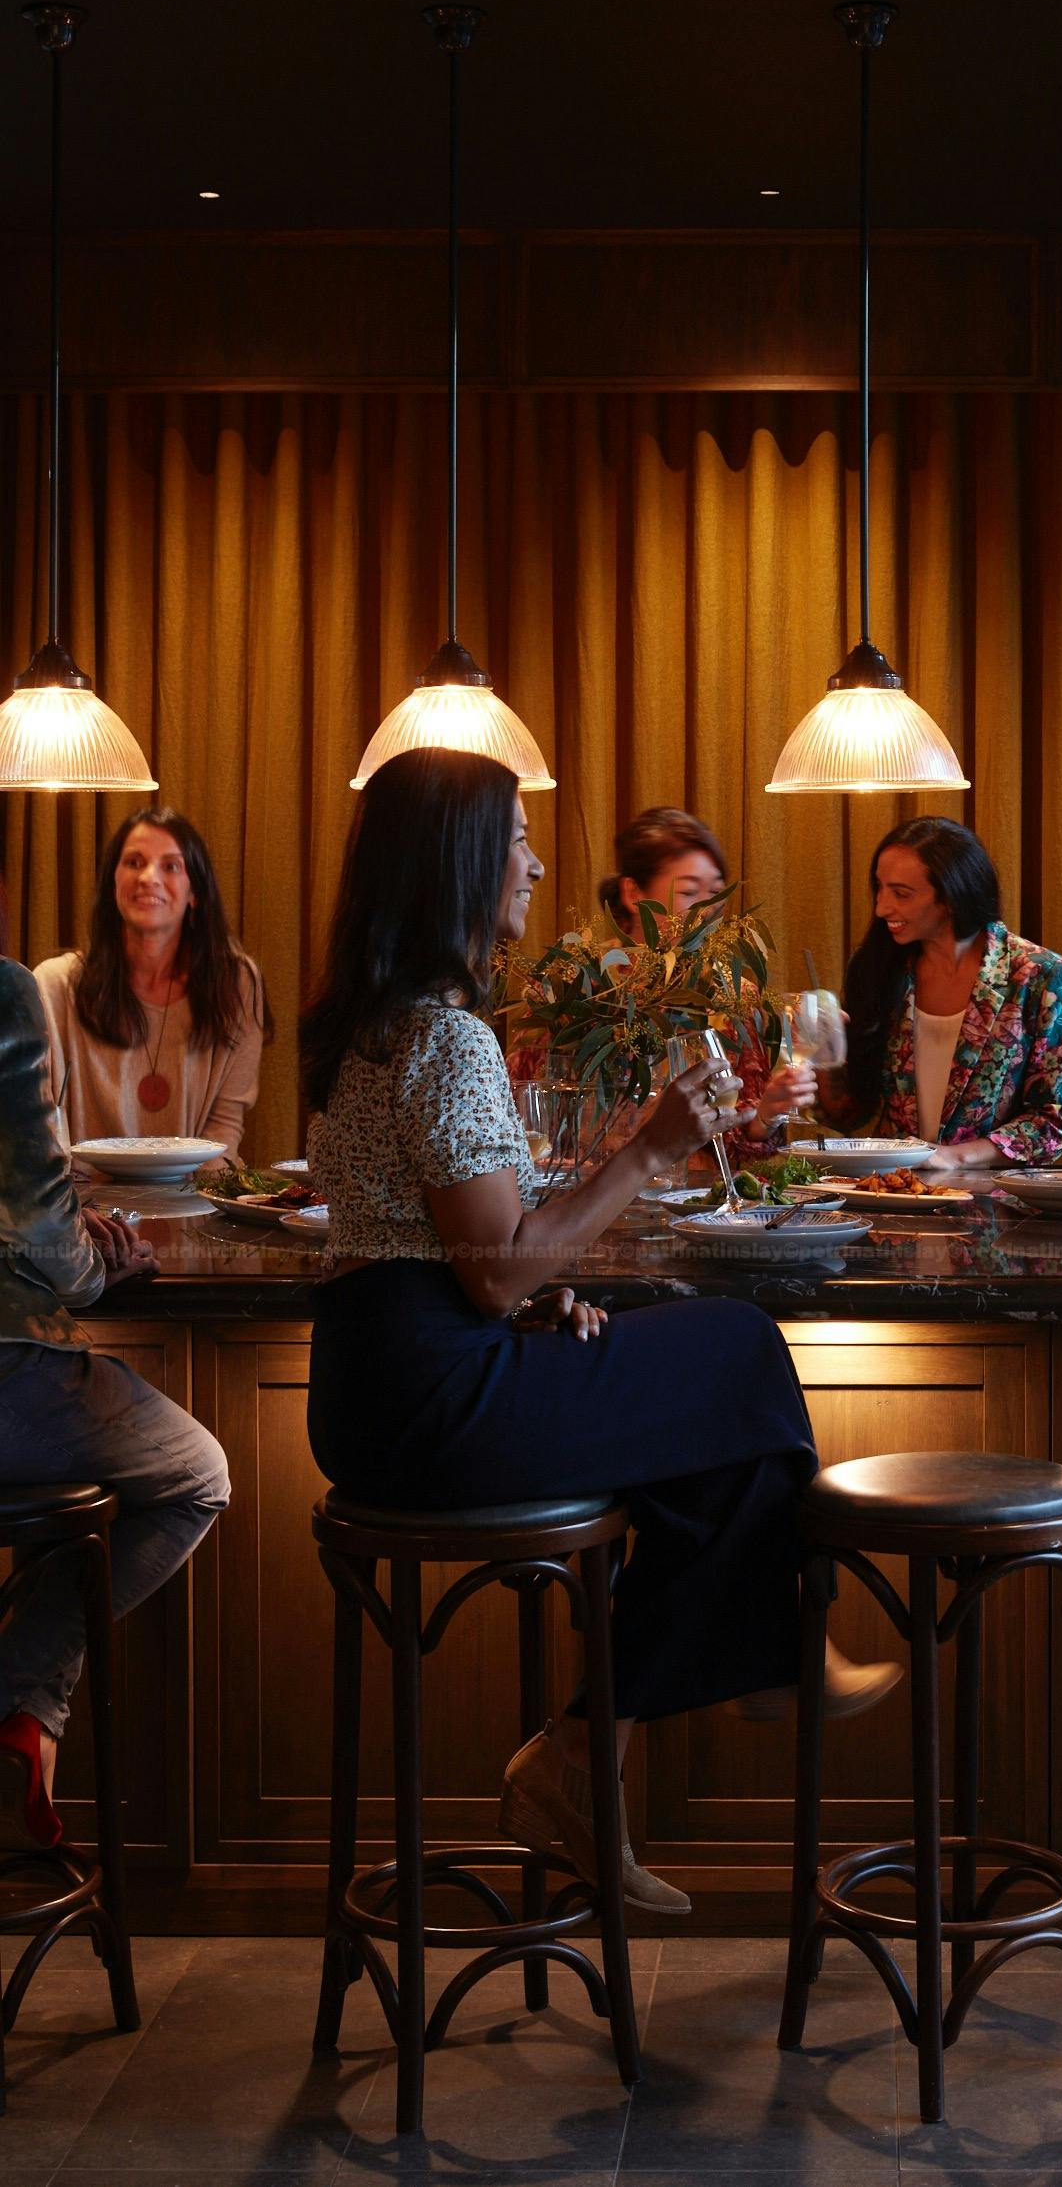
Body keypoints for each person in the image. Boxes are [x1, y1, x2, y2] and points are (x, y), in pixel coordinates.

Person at [299, 750, 898, 1919]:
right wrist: (650, 1149)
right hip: (435, 1400)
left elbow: (463, 1250)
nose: (530, 862)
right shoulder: (443, 1036)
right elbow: (492, 1265)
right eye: (515, 838)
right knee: (739, 1349)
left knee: (698, 1412)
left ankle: (593, 1755)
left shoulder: (371, 1028)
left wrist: (535, 1294)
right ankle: (681, 1697)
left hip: (377, 1381)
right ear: (461, 862)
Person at [0, 900, 231, 1852]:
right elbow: (50, 1237)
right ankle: (21, 1698)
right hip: (9, 1373)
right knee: (194, 1476)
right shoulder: (8, 992)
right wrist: (100, 1267)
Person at [513, 805, 813, 1154]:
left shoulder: (733, 998)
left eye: (716, 892)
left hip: (699, 1202)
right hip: (582, 1197)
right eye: (689, 893)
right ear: (633, 893)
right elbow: (524, 1109)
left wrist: (767, 1114)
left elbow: (740, 1147)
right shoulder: (569, 988)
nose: (709, 908)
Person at [824, 816, 1062, 1169]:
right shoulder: (879, 969)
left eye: (901, 893)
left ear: (951, 896)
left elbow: (1058, 1120)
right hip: (893, 1197)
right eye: (880, 888)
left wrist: (956, 1157)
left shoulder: (1041, 975)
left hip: (997, 1206)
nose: (881, 907)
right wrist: (823, 1057)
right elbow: (847, 1116)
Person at [35, 808, 269, 1164]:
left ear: (195, 892)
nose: (148, 877)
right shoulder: (53, 986)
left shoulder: (235, 985)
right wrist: (76, 1210)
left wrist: (194, 1214)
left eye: (171, 866)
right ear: (113, 881)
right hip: (83, 1209)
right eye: (133, 862)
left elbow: (223, 1129)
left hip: (194, 1201)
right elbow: (37, 1129)